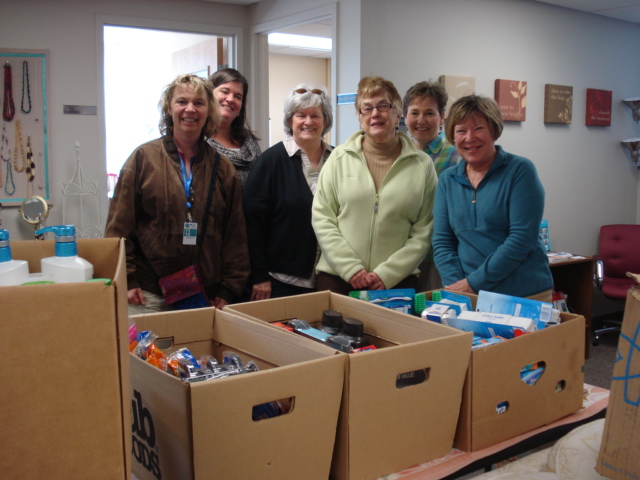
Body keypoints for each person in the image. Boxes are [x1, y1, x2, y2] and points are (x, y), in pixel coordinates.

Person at [105, 73, 250, 314]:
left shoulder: (222, 168)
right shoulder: (143, 159)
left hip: (203, 294)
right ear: (169, 108)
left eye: (199, 103)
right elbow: (118, 228)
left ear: (209, 111)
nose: (190, 109)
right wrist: (128, 279)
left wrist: (228, 288)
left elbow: (235, 234)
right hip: (147, 292)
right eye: (182, 101)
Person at [312, 76, 437, 295]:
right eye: (366, 109)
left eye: (382, 106)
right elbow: (323, 219)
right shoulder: (337, 158)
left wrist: (388, 274)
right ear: (359, 118)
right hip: (338, 279)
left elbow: (424, 230)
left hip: (396, 284)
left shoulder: (422, 165)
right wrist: (351, 269)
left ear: (398, 114)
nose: (375, 114)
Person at [432, 95, 553, 301]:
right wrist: (456, 287)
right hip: (469, 294)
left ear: (494, 130)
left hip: (524, 295)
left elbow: (521, 239)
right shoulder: (447, 180)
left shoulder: (520, 170)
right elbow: (443, 241)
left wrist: (473, 283)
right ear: (453, 136)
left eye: (478, 128)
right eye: (461, 131)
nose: (469, 138)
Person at [243, 84, 333, 300]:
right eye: (301, 115)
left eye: (315, 116)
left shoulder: (338, 160)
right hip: (280, 280)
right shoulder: (270, 162)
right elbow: (252, 224)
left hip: (329, 277)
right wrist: (259, 275)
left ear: (325, 120)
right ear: (290, 120)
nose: (308, 122)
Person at [403, 80, 460, 292]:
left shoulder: (456, 155)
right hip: (402, 255)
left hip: (438, 257)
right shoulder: (398, 154)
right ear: (404, 117)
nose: (421, 120)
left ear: (442, 117)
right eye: (414, 113)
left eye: (429, 113)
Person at [208, 68, 261, 187]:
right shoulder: (198, 142)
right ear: (209, 95)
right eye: (225, 91)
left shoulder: (249, 143)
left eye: (238, 96)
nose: (230, 99)